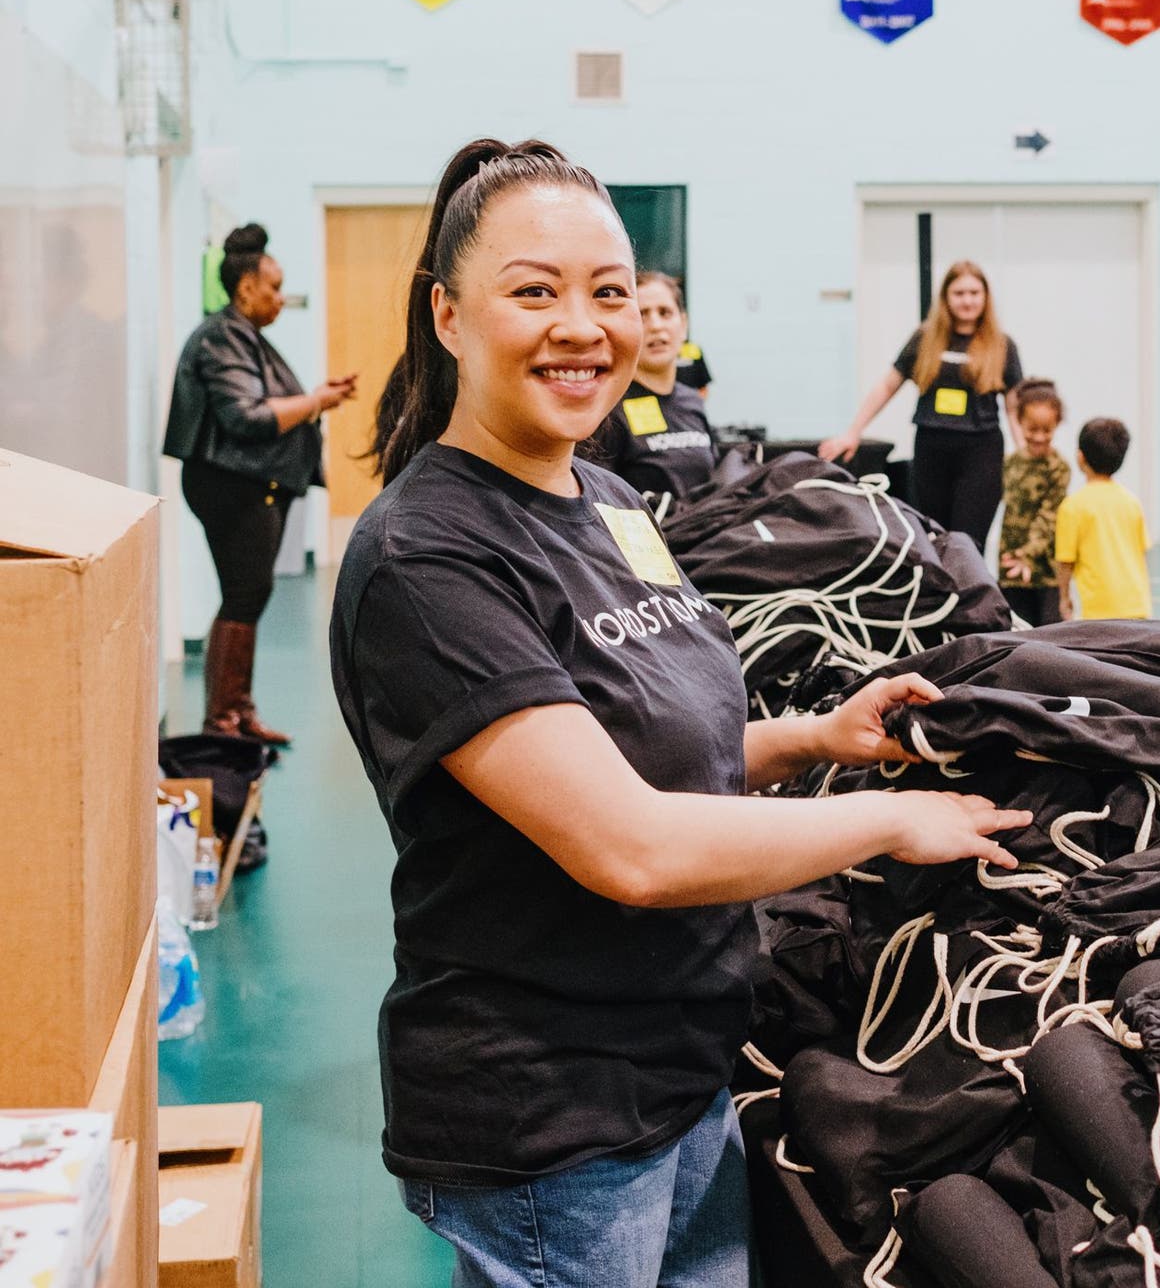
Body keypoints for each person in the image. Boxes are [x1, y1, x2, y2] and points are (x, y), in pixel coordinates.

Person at [329, 139, 1028, 1288]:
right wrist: (889, 818)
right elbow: (631, 845)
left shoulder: (607, 503)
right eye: (533, 290)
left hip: (681, 1073)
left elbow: (658, 753)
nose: (584, 325)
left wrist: (814, 737)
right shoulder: (426, 558)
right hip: (552, 1120)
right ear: (448, 316)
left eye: (608, 292)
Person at [164, 223, 357, 744]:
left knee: (249, 595)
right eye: (273, 288)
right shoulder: (223, 337)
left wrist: (317, 396)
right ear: (246, 288)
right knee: (245, 595)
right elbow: (247, 418)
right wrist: (316, 402)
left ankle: (238, 712)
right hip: (232, 488)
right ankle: (222, 721)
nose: (279, 299)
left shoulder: (243, 338)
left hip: (250, 486)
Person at [820, 260, 1023, 551]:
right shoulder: (925, 338)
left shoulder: (1002, 345)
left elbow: (1014, 408)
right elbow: (887, 386)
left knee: (967, 542)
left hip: (981, 451)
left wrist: (1025, 457)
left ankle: (969, 594)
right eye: (959, 293)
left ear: (985, 297)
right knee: (933, 538)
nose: (967, 300)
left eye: (974, 293)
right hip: (932, 447)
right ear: (946, 298)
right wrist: (853, 432)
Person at [591, 271, 716, 501]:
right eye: (642, 315)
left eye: (665, 313)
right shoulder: (607, 409)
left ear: (683, 324)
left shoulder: (692, 401)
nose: (656, 326)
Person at [1055, 418, 1151, 622]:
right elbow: (1141, 553)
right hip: (1138, 605)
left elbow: (1065, 562)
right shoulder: (1131, 502)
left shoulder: (1073, 506)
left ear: (1080, 457)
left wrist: (1064, 599)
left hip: (1098, 613)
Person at [997, 378, 1070, 626]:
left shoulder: (1058, 468)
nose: (1039, 437)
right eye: (1032, 430)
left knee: (1049, 635)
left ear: (1057, 424)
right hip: (1012, 569)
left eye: (1046, 431)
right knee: (1017, 632)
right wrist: (1013, 558)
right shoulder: (1010, 464)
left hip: (1046, 571)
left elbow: (1048, 518)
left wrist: (1026, 555)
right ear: (1019, 421)